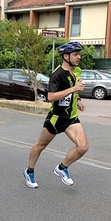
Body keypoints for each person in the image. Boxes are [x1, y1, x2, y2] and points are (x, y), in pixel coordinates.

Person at [24, 41, 88, 188]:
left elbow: (74, 89)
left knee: (83, 147)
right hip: (56, 118)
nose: (79, 57)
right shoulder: (57, 75)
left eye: (79, 54)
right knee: (41, 145)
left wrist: (78, 99)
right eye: (76, 54)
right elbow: (51, 97)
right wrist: (73, 89)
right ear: (66, 56)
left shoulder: (76, 71)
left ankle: (62, 168)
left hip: (71, 117)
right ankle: (29, 171)